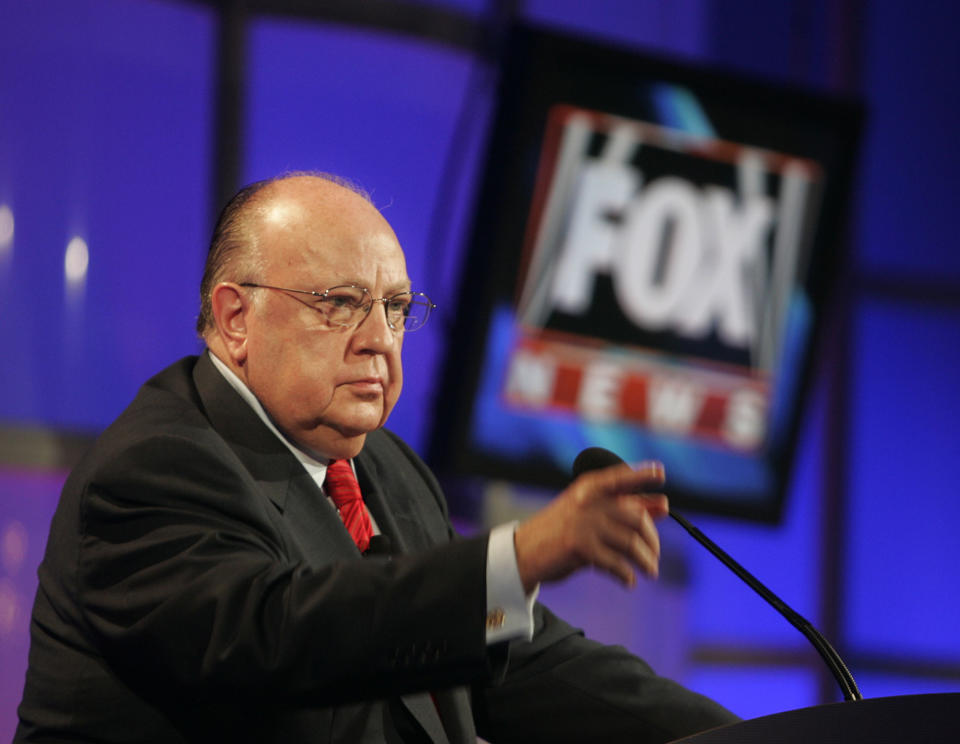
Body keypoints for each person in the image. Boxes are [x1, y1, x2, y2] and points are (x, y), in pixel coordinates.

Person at [15, 173, 737, 743]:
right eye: (339, 302)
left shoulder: (385, 468)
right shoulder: (154, 469)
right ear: (236, 318)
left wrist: (749, 739)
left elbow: (515, 662)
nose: (380, 340)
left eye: (395, 308)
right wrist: (515, 558)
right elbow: (286, 640)